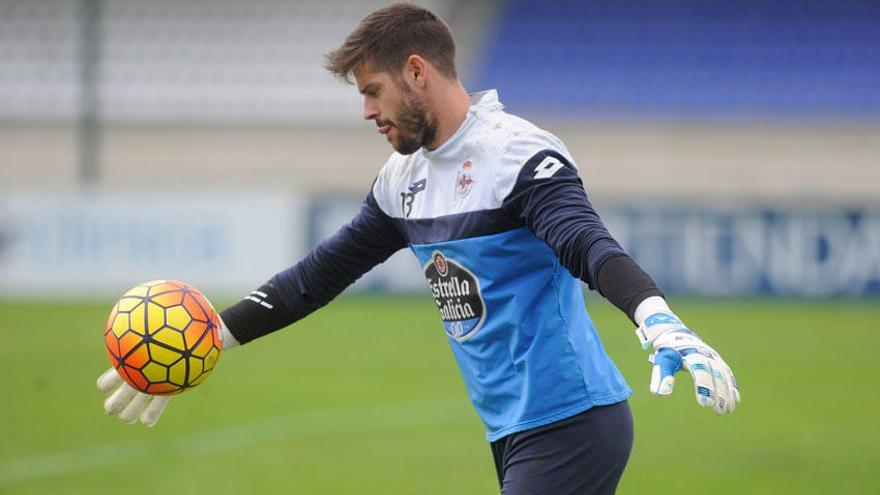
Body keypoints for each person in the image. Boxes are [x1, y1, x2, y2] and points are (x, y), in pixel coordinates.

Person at [97, 4, 739, 493]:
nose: (368, 112)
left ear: (416, 72)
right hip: (514, 431)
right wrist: (210, 337)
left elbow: (586, 243)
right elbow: (316, 277)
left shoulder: (516, 154)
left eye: (372, 91)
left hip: (572, 422)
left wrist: (656, 317)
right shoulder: (402, 182)